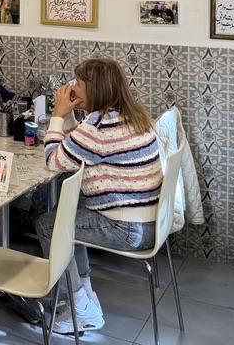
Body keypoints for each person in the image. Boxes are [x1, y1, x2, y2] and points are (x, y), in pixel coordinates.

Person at [35, 58, 162, 334]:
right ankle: (84, 295)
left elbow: (54, 161)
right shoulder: (132, 114)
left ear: (96, 89)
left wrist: (57, 114)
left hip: (128, 229)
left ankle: (77, 305)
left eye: (78, 83)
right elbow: (75, 146)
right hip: (151, 222)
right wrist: (69, 113)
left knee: (49, 225)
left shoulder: (99, 129)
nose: (72, 87)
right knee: (65, 212)